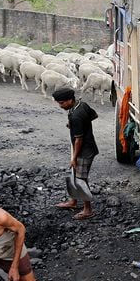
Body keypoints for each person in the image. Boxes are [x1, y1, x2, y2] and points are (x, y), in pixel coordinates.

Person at [52, 88, 98, 220]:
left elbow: (79, 139)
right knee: (75, 174)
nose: (60, 106)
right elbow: (94, 115)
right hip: (85, 147)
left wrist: (74, 157)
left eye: (61, 103)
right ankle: (73, 201)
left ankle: (87, 210)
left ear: (69, 100)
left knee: (81, 179)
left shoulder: (76, 115)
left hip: (84, 150)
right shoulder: (81, 105)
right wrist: (74, 124)